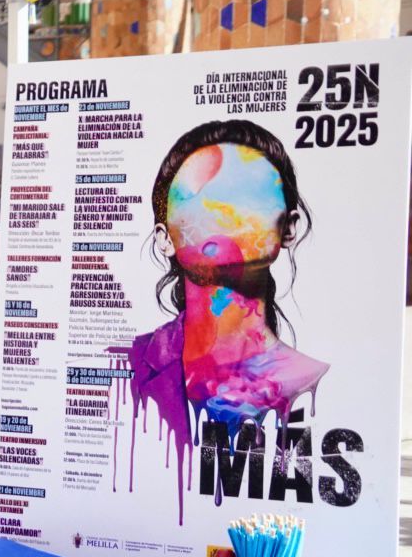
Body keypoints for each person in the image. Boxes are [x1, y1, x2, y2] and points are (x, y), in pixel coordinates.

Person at [121, 119, 323, 512]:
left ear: (289, 227)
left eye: (247, 198)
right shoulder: (127, 371)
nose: (221, 215)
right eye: (199, 198)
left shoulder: (316, 389)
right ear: (164, 237)